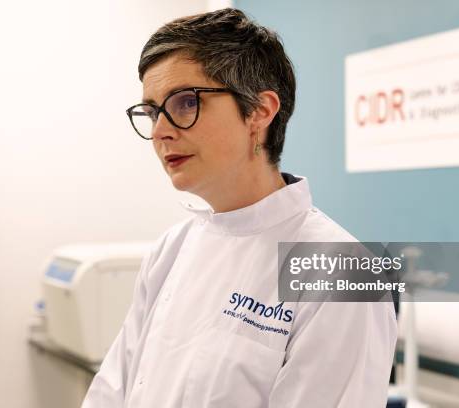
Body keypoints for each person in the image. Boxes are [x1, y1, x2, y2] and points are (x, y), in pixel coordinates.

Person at [82, 8, 396, 408]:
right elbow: (112, 392)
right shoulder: (171, 249)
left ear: (260, 111)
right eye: (151, 111)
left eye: (184, 103)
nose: (160, 130)